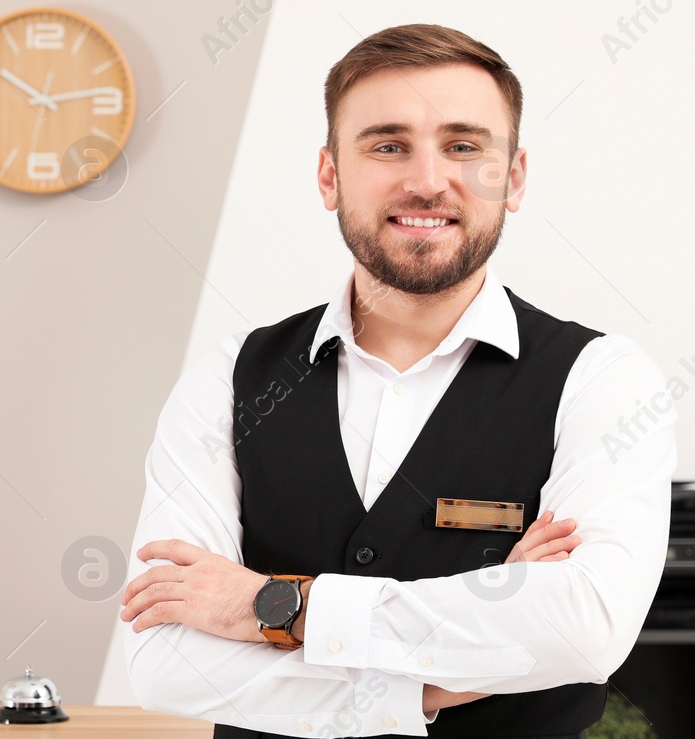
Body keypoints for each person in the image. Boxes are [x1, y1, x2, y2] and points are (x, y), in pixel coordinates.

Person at [118, 23, 676, 738]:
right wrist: (446, 675)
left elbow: (585, 628)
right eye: (388, 145)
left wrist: (272, 605)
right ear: (330, 175)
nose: (426, 180)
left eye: (464, 146)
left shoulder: (602, 378)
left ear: (514, 177)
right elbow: (166, 661)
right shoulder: (228, 377)